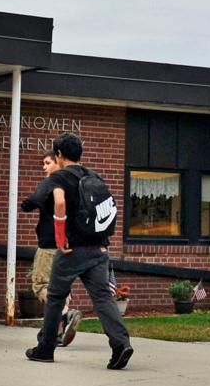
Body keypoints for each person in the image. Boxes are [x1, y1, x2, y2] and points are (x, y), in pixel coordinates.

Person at [24, 133, 132, 367]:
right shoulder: (94, 176)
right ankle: (121, 344)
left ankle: (45, 348)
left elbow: (60, 202)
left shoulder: (59, 177)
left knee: (55, 297)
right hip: (98, 249)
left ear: (59, 155)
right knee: (103, 296)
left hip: (72, 250)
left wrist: (60, 237)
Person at [21, 152, 80, 346]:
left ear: (58, 162)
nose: (44, 167)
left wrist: (27, 203)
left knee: (41, 285)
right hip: (69, 244)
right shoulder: (74, 183)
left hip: (49, 244)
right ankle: (57, 331)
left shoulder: (51, 182)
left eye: (48, 163)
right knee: (62, 286)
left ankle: (64, 314)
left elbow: (30, 203)